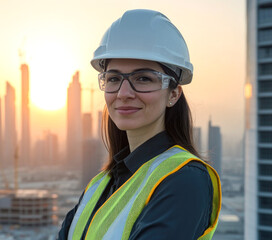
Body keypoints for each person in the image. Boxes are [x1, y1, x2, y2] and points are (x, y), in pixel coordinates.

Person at [58, 9, 221, 240]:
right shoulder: (100, 184)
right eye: (113, 78)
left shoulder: (185, 180)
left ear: (173, 94)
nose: (124, 93)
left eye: (143, 78)